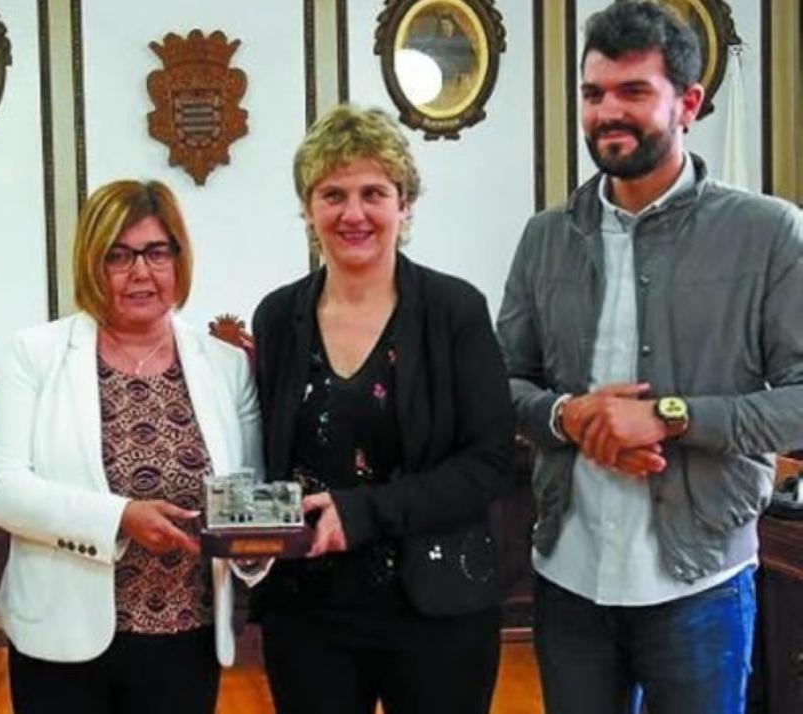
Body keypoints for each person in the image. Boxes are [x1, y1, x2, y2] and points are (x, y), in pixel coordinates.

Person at [496, 2, 803, 712]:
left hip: (701, 581)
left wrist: (670, 417)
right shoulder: (545, 237)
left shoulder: (767, 234)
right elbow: (501, 385)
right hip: (568, 574)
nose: (608, 111)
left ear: (688, 103)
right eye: (593, 92)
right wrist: (569, 416)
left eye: (633, 91)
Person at [250, 104, 516, 714]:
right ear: (307, 208)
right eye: (332, 194)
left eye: (373, 193)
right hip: (308, 613)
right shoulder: (277, 317)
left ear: (405, 204)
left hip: (438, 609)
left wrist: (362, 513)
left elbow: (490, 463)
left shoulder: (455, 310)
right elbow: (266, 457)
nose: (353, 213)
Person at [0, 179, 263, 714]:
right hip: (60, 638)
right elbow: (1, 489)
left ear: (179, 258)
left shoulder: (225, 366)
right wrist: (120, 518)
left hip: (185, 634)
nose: (140, 272)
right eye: (118, 255)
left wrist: (255, 542)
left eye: (157, 252)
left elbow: (249, 494)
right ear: (92, 263)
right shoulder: (35, 354)